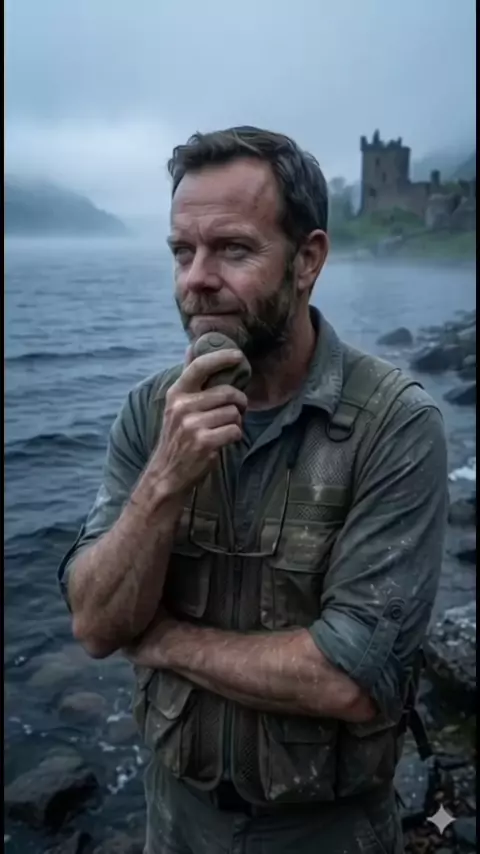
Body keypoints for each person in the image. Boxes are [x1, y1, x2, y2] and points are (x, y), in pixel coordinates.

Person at [58, 126, 448, 854]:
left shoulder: (393, 426)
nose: (196, 279)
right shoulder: (151, 412)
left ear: (308, 260)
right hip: (175, 816)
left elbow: (350, 677)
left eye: (233, 250)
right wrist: (165, 479)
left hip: (326, 829)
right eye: (182, 252)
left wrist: (166, 641)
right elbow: (96, 625)